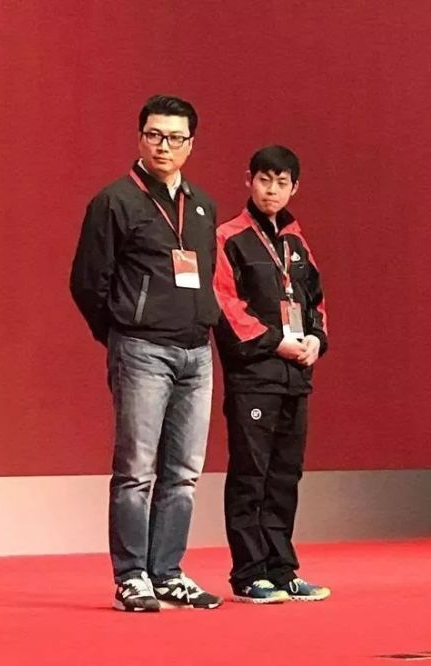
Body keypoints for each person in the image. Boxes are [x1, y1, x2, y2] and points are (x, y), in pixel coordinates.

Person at [70, 94, 223, 612]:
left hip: (196, 353)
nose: (164, 146)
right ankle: (132, 574)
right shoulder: (115, 201)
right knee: (136, 470)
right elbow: (88, 282)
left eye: (176, 138)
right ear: (140, 138)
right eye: (155, 135)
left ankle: (168, 572)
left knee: (184, 473)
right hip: (142, 350)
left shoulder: (201, 206)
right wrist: (121, 333)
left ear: (190, 145)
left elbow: (205, 275)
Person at [213, 145, 331, 604]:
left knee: (285, 475)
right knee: (251, 474)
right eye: (265, 180)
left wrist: (316, 340)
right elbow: (226, 306)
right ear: (249, 180)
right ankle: (248, 573)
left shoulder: (297, 242)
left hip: (295, 377)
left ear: (294, 187)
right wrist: (275, 342)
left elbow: (315, 301)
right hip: (254, 376)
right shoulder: (229, 237)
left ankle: (282, 569)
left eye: (282, 182)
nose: (272, 190)